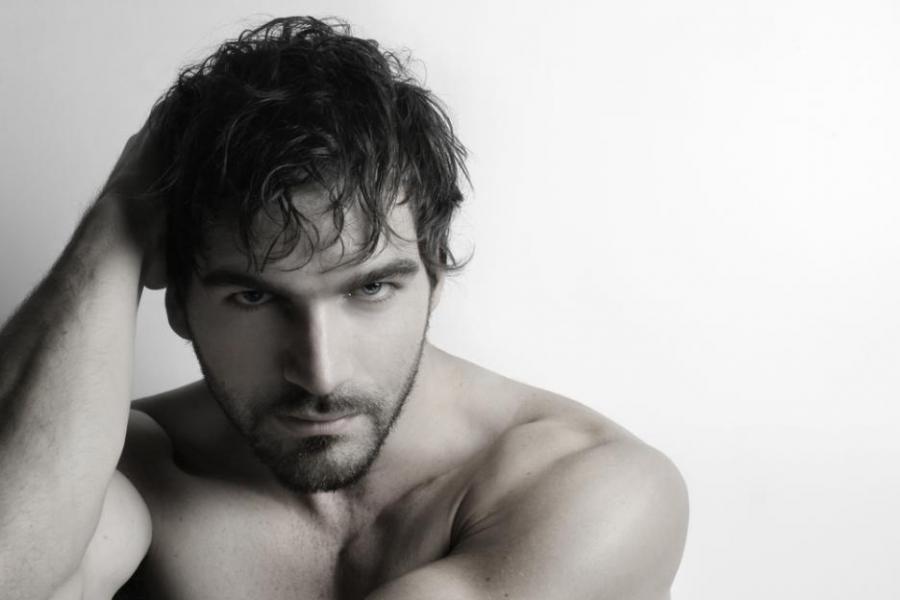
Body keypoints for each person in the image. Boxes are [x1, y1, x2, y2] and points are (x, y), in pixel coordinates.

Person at [0, 16, 688, 600]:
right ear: (177, 300)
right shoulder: (124, 467)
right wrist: (117, 221)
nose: (319, 373)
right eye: (254, 296)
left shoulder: (587, 485)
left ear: (434, 275)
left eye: (369, 289)